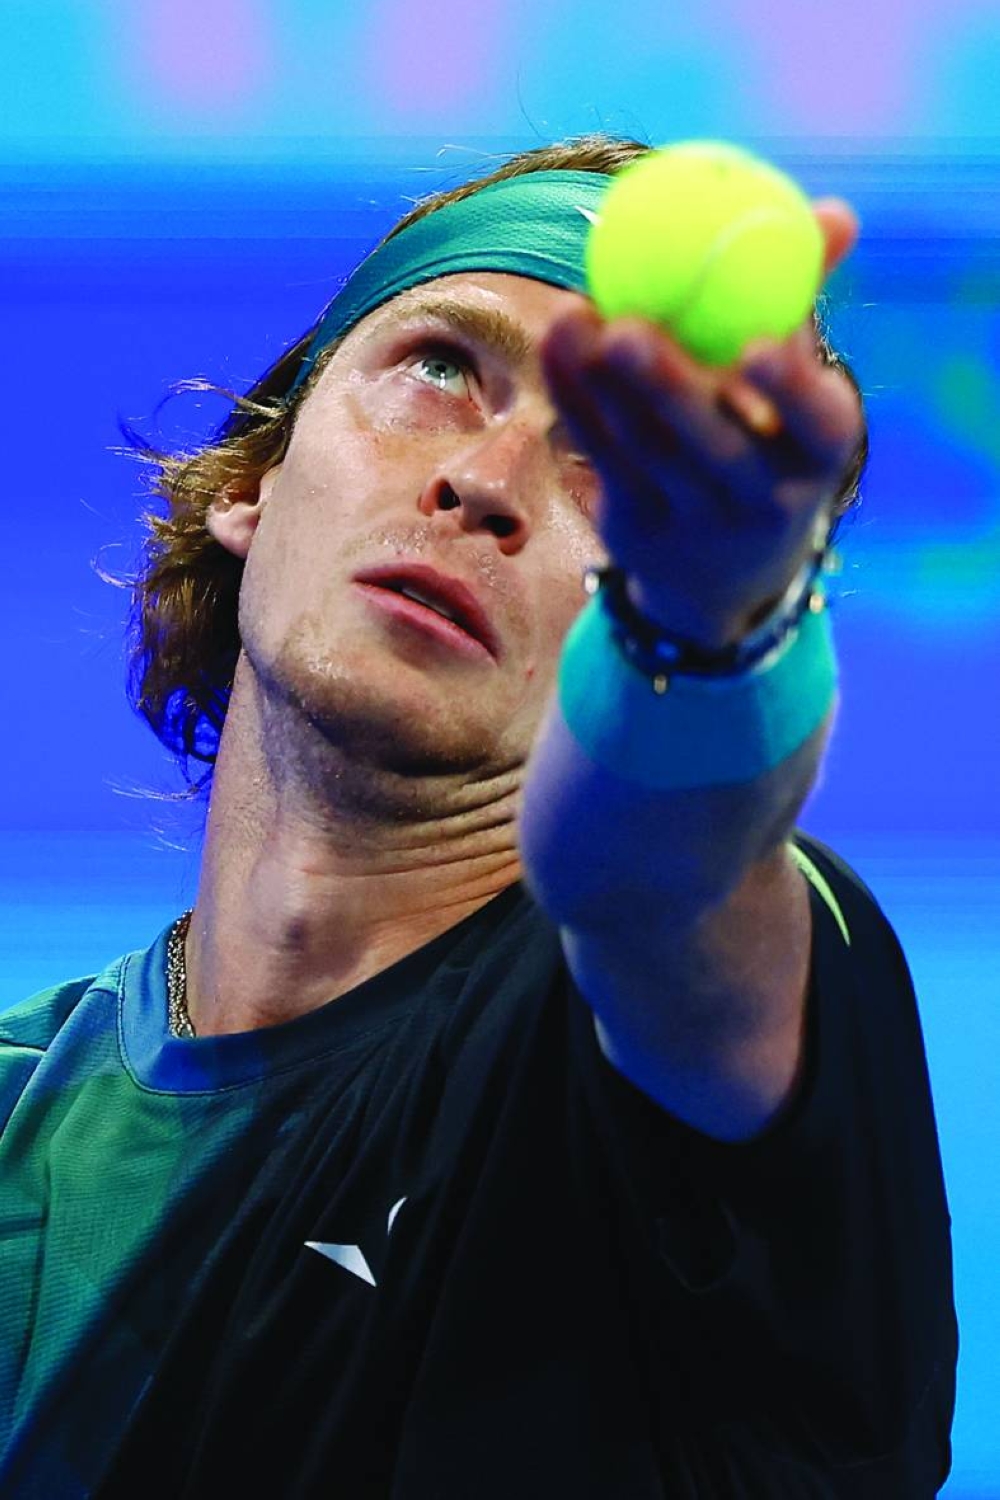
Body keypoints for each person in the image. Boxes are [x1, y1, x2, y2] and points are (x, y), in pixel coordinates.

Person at [0, 134, 956, 1498]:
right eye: (443, 368)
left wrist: (705, 627)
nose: (487, 482)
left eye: (615, 468)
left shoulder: (679, 1006)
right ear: (249, 485)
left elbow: (655, 880)